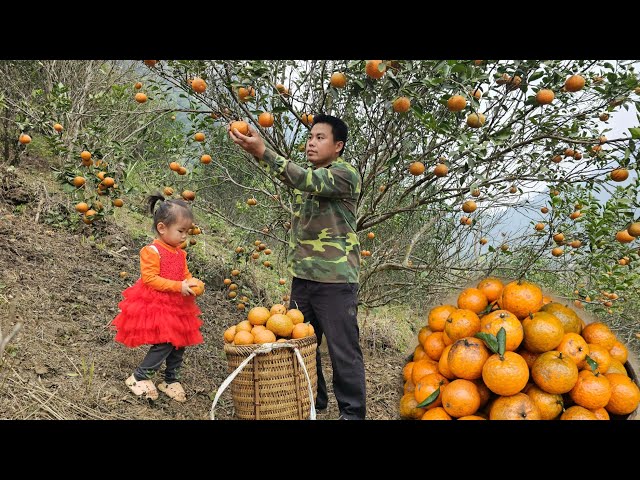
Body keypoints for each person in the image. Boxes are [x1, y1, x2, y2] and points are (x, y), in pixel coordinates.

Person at [229, 114, 366, 420]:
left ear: (338, 145)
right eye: (310, 137)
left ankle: (353, 414)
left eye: (320, 137)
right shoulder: (308, 175)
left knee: (343, 351)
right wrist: (255, 149)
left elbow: (303, 178)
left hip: (335, 281)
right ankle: (312, 401)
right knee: (300, 344)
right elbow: (293, 176)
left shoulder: (344, 175)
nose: (311, 142)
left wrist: (262, 150)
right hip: (302, 278)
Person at [111, 194, 204, 402]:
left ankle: (171, 379)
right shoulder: (152, 251)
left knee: (179, 343)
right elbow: (150, 279)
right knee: (165, 342)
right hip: (157, 303)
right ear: (162, 228)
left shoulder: (180, 253)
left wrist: (193, 283)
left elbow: (184, 274)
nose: (184, 237)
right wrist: (178, 286)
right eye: (180, 231)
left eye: (187, 233)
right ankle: (139, 376)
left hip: (178, 304)